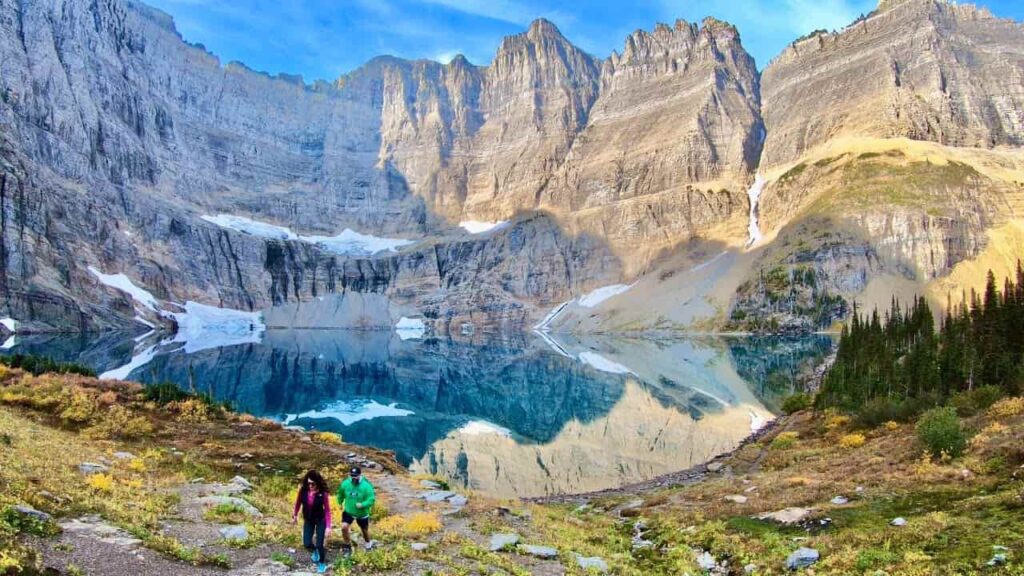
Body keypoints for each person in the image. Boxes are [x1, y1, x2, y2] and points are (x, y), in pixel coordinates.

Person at [292, 470, 332, 573]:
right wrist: (295, 515)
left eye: (313, 483)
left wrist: (328, 527)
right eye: (308, 483)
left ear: (317, 482)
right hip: (308, 519)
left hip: (320, 519)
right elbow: (298, 503)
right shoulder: (303, 490)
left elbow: (327, 510)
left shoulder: (323, 493)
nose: (310, 485)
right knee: (307, 543)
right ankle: (315, 551)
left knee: (319, 544)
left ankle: (322, 563)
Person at [336, 466, 375, 556]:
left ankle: (368, 545)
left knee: (364, 531)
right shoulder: (346, 483)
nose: (354, 478)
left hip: (362, 513)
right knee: (344, 527)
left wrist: (363, 504)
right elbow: (340, 494)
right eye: (352, 476)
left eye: (356, 476)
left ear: (360, 475)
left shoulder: (366, 486)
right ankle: (347, 546)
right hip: (349, 511)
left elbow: (371, 499)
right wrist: (340, 502)